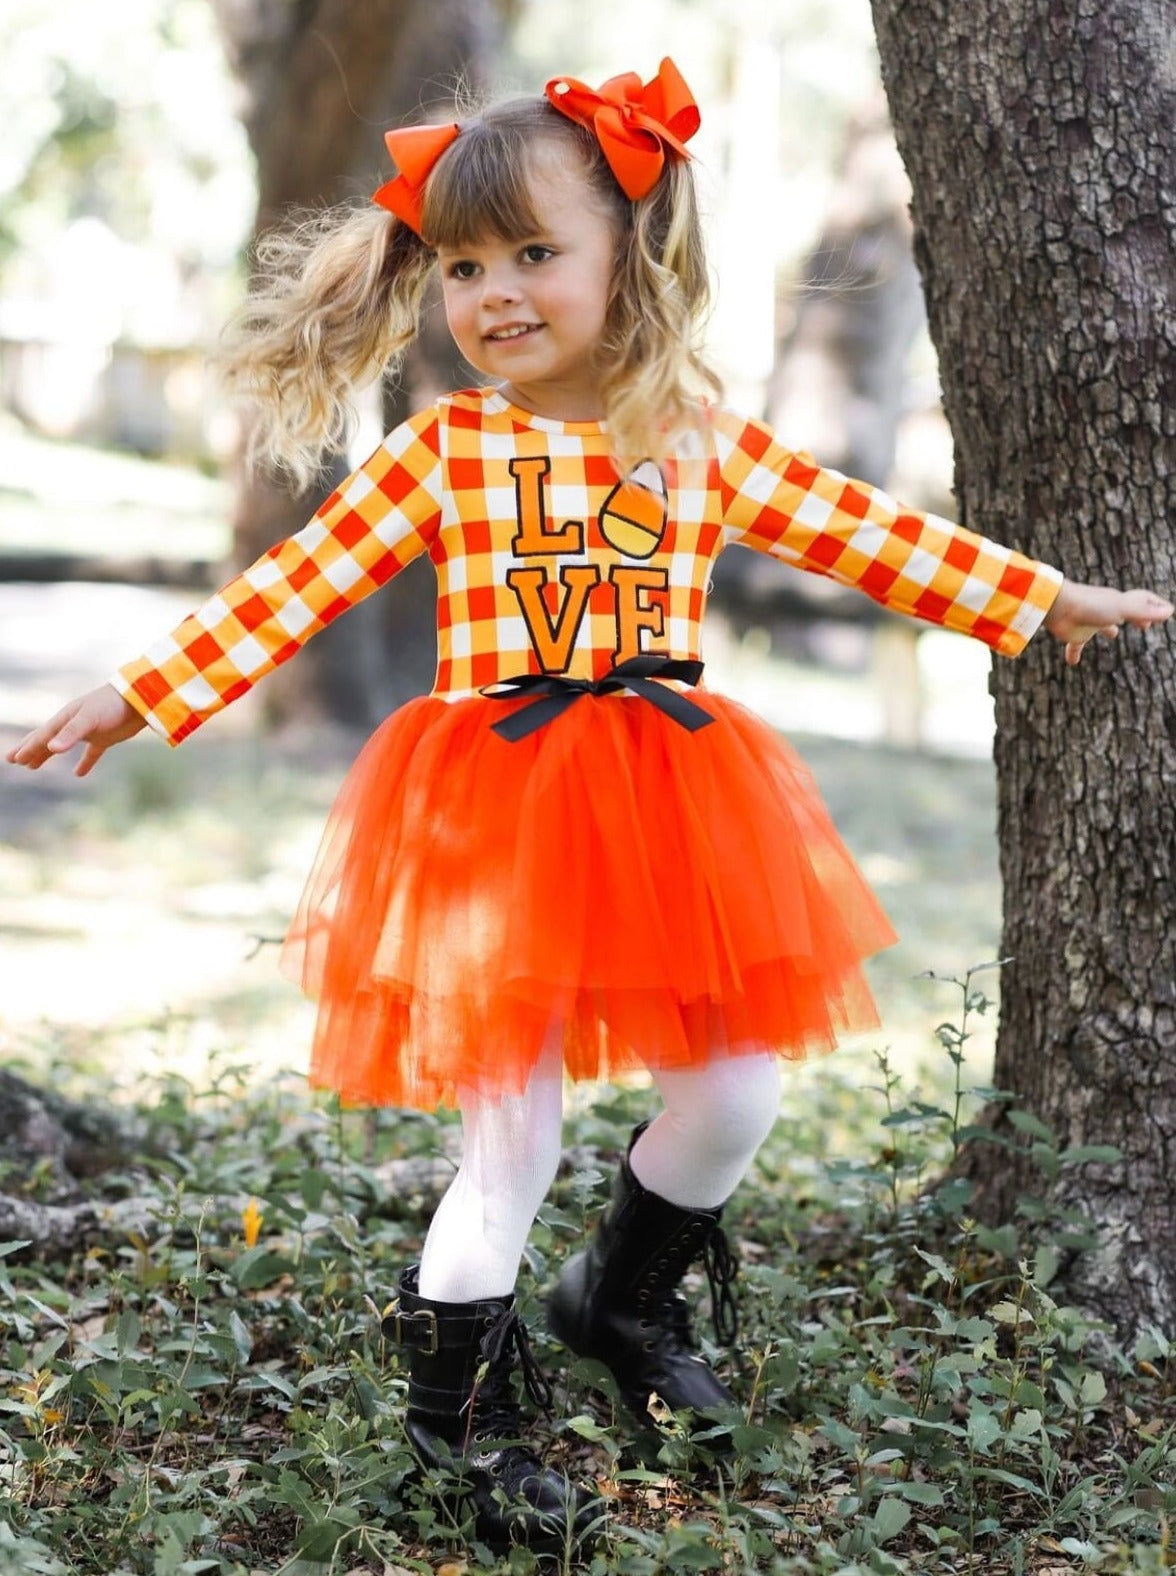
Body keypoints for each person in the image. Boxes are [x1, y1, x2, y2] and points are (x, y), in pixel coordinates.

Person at [7, 58, 1171, 1553]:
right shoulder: (446, 451)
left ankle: (618, 1301)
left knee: (735, 1093)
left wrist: (1042, 597)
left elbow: (866, 533)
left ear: (632, 248)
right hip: (493, 819)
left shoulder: (694, 437)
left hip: (669, 799)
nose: (494, 293)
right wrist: (141, 691)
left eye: (534, 253)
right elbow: (290, 587)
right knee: (513, 1143)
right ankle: (459, 1427)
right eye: (464, 268)